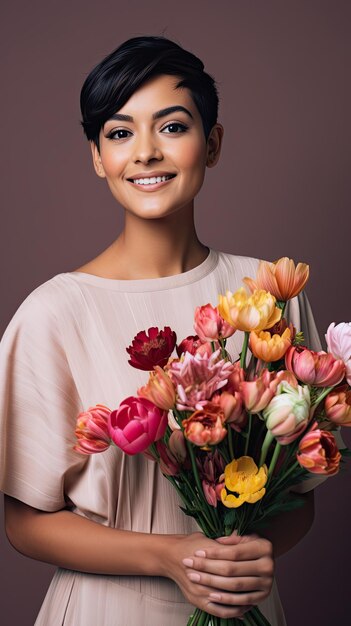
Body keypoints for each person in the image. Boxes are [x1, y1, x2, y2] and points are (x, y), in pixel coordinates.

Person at [0, 35, 325, 626]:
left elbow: (300, 496)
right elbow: (23, 523)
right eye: (120, 133)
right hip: (104, 610)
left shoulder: (268, 293)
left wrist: (243, 554)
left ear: (214, 143)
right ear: (97, 156)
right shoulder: (54, 313)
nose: (145, 152)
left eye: (172, 127)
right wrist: (172, 556)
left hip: (241, 607)